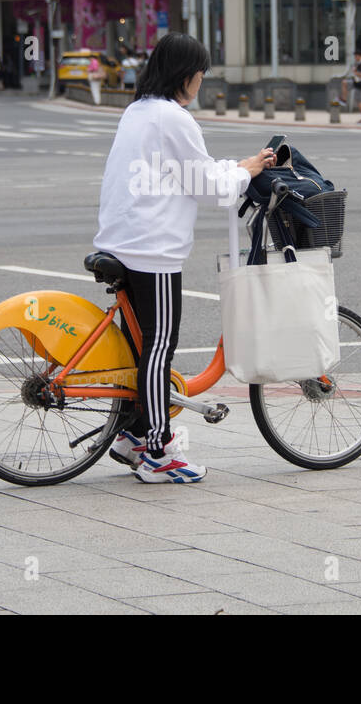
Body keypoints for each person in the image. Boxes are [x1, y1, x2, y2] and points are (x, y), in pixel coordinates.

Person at [94, 33, 275, 483]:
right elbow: (209, 187)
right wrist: (245, 171)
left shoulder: (138, 111)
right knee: (158, 347)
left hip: (122, 238)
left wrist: (240, 166)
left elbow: (194, 170)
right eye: (201, 73)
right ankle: (158, 450)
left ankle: (132, 434)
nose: (201, 81)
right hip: (151, 248)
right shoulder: (174, 118)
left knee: (138, 348)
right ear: (187, 75)